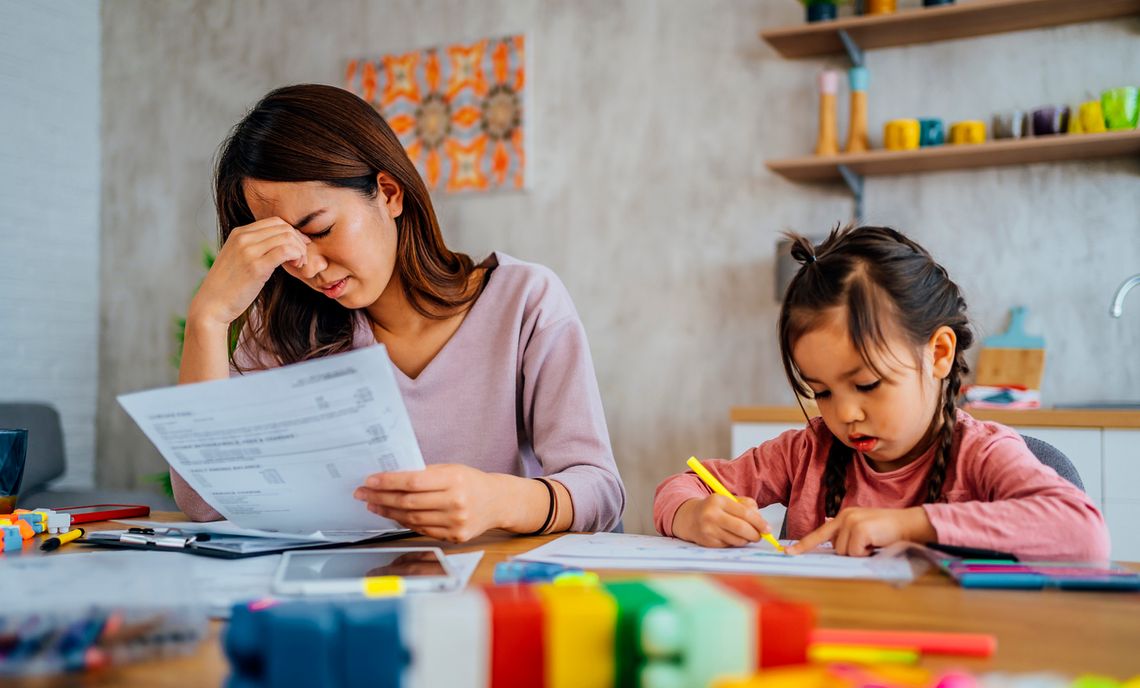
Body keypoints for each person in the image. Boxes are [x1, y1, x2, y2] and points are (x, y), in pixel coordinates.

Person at [173, 84, 625, 542]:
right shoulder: (284, 327)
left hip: (491, 589)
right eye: (283, 247)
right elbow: (204, 502)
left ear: (388, 193)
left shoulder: (525, 302)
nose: (306, 266)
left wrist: (498, 499)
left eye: (321, 229)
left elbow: (601, 490)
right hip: (342, 593)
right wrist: (208, 320)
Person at [655, 225, 1109, 561]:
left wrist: (910, 524)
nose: (845, 413)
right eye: (822, 392)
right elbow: (678, 486)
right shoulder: (806, 452)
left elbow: (1085, 534)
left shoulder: (982, 454)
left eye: (867, 384)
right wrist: (693, 515)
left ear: (939, 354)